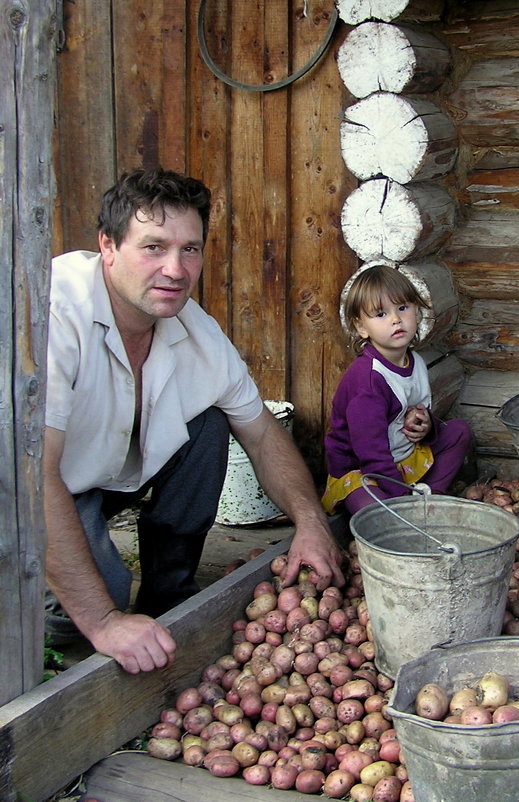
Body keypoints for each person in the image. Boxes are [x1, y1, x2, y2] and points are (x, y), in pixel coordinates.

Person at [44, 167, 345, 675]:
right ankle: (48, 612)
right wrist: (102, 620)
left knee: (209, 421)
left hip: (102, 471)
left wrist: (312, 523)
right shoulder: (54, 313)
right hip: (36, 488)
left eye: (190, 249)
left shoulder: (193, 327)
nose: (176, 269)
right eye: (153, 247)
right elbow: (31, 479)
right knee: (91, 606)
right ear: (108, 246)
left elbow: (261, 432)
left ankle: (167, 595)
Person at [322, 264, 472, 516]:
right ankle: (406, 508)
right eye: (380, 314)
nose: (395, 319)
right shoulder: (369, 380)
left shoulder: (417, 364)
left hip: (403, 456)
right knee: (372, 507)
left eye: (403, 308)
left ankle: (430, 497)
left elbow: (413, 414)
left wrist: (427, 426)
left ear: (417, 311)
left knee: (458, 432)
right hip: (363, 470)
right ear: (361, 327)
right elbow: (371, 453)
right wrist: (400, 496)